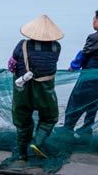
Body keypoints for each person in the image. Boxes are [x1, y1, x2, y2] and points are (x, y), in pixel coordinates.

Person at [7, 14, 63, 161]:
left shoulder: (22, 45)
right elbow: (51, 64)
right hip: (44, 90)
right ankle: (36, 142)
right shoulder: (56, 47)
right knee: (50, 117)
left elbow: (11, 65)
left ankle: (21, 154)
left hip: (22, 89)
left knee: (23, 121)